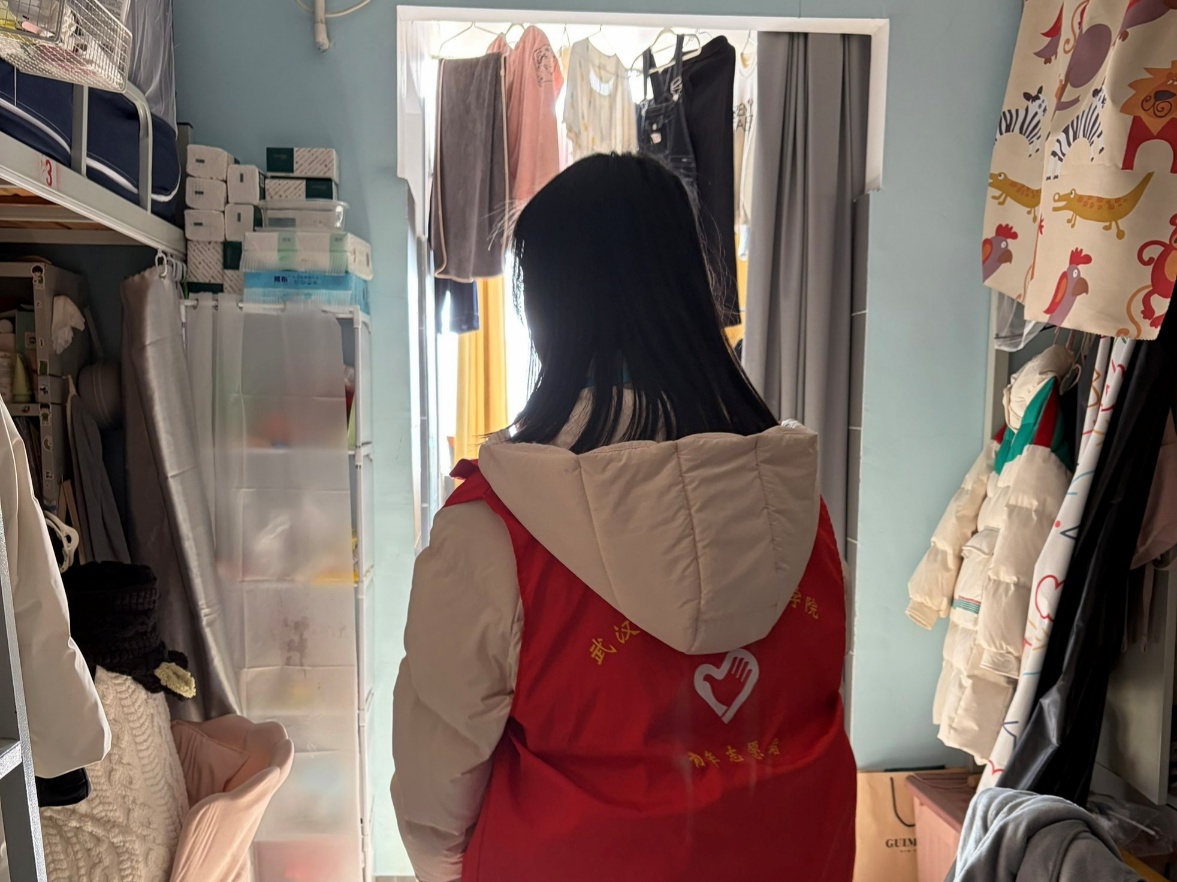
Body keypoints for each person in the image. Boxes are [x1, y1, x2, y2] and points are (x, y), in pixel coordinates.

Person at [391, 153, 855, 882]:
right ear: (693, 292)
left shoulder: (492, 532)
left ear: (546, 312)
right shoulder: (797, 508)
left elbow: (437, 780)